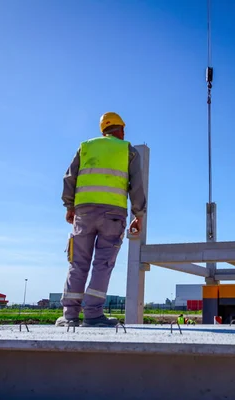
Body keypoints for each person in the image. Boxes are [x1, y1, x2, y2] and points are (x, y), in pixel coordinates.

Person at [56, 112, 147, 327]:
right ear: (121, 130)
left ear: (103, 131)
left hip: (84, 213)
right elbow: (137, 186)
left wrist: (70, 207)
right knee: (102, 264)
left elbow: (69, 178)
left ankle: (69, 316)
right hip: (113, 215)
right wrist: (139, 216)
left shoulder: (85, 147)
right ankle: (93, 314)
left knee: (78, 263)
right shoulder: (128, 151)